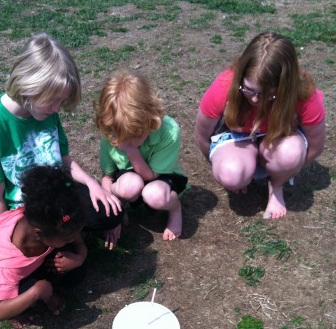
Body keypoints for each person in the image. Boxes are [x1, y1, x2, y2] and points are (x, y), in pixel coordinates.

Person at [0, 32, 122, 231]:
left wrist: (93, 184)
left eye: (62, 101)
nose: (57, 109)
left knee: (110, 213)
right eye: (53, 100)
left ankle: (67, 232)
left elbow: (65, 160)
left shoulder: (44, 111)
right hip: (25, 208)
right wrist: (9, 236)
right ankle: (64, 236)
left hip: (59, 192)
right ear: (29, 85)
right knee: (43, 246)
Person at [195, 31, 326, 219]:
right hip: (235, 138)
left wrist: (288, 170)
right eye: (248, 89)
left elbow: (316, 146)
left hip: (279, 137)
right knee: (231, 173)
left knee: (291, 154)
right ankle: (244, 169)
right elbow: (202, 135)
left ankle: (276, 186)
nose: (255, 99)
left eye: (267, 95)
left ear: (285, 88)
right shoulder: (225, 85)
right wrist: (226, 164)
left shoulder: (303, 95)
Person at [0, 165, 88, 329]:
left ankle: (43, 289)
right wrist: (38, 291)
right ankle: (21, 308)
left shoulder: (56, 220)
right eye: (68, 238)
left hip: (33, 262)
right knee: (35, 304)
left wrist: (78, 259)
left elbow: (79, 244)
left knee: (77, 272)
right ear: (39, 234)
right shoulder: (9, 261)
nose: (72, 239)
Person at [94, 69, 188, 248]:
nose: (126, 140)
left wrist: (131, 151)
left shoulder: (169, 130)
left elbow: (151, 176)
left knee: (154, 195)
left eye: (134, 135)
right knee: (130, 185)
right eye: (121, 136)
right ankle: (122, 205)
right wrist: (113, 214)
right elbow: (107, 176)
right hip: (130, 178)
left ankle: (175, 209)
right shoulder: (112, 132)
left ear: (149, 118)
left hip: (160, 178)